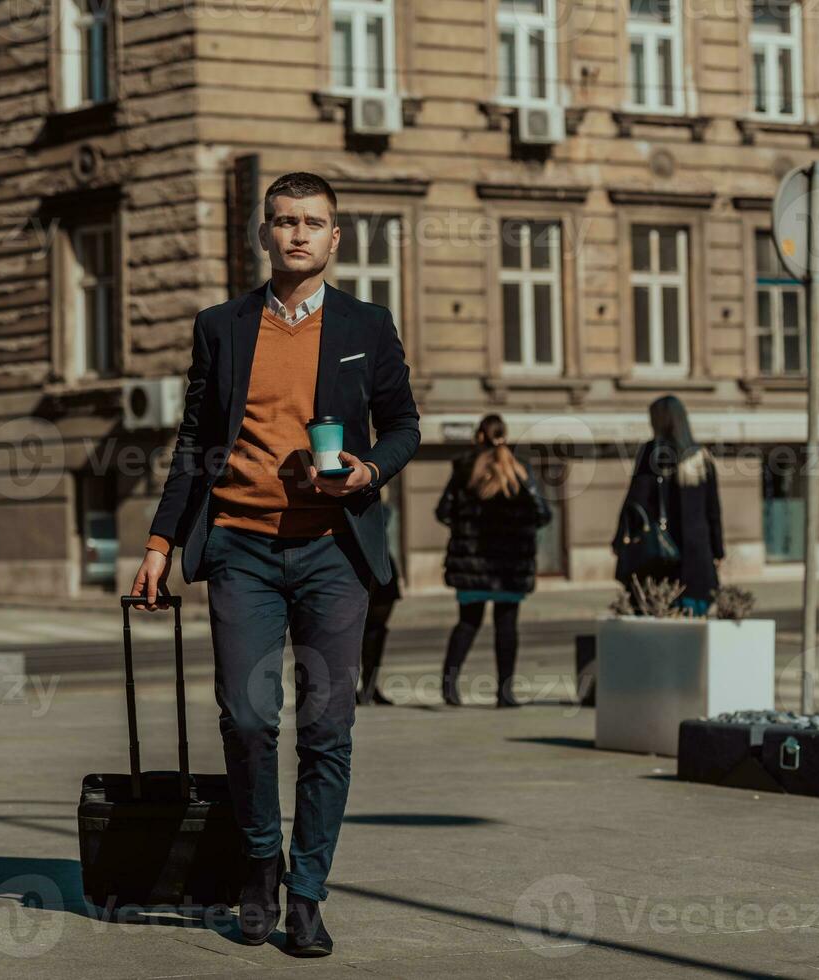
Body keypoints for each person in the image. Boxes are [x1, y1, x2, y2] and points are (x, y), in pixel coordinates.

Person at [130, 172, 420, 957]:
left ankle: (309, 893)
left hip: (334, 552)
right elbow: (192, 444)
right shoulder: (221, 326)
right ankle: (260, 863)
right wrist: (161, 543)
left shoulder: (367, 322)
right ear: (264, 234)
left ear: (335, 238)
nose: (297, 234)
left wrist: (368, 470)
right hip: (242, 549)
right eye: (284, 221)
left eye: (313, 223)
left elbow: (403, 425)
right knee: (250, 719)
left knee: (327, 728)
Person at [435, 414, 552, 708]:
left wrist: (464, 529)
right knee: (507, 625)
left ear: (479, 437)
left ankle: (449, 687)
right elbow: (543, 513)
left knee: (468, 622)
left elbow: (442, 510)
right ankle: (504, 692)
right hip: (509, 565)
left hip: (473, 563)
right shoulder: (519, 469)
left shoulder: (464, 469)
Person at [611, 395, 724, 616]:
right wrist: (718, 550)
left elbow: (635, 502)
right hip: (697, 557)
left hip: (660, 557)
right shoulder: (702, 458)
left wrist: (620, 539)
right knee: (694, 627)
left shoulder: (651, 453)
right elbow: (713, 511)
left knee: (661, 623)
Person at [357, 501, 401, 706]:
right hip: (354, 565)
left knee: (376, 630)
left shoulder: (384, 510)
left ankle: (369, 686)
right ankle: (358, 687)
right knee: (350, 633)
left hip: (379, 567)